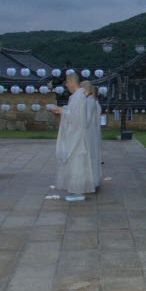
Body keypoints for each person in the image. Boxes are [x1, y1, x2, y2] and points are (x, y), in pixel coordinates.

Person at [53, 73, 95, 201]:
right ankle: (75, 190)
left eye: (67, 82)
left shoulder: (79, 97)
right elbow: (73, 112)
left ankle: (78, 192)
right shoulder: (75, 97)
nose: (66, 85)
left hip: (77, 137)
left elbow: (78, 118)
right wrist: (63, 110)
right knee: (74, 165)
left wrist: (62, 111)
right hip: (74, 135)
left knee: (77, 165)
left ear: (72, 81)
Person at [80, 80, 102, 189]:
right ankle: (93, 180)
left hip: (89, 133)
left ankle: (90, 181)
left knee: (90, 157)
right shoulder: (93, 101)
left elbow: (86, 120)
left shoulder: (89, 102)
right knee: (93, 157)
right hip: (93, 132)